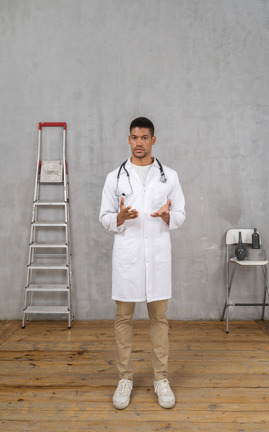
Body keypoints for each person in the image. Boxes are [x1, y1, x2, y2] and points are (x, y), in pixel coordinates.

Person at [99, 117, 185, 410]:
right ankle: (125, 378)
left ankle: (161, 378)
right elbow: (105, 217)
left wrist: (167, 216)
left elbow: (181, 212)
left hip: (158, 258)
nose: (139, 143)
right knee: (123, 319)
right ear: (128, 140)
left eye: (144, 138)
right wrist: (119, 219)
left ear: (153, 140)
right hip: (128, 259)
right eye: (134, 138)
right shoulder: (115, 177)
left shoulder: (169, 176)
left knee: (159, 319)